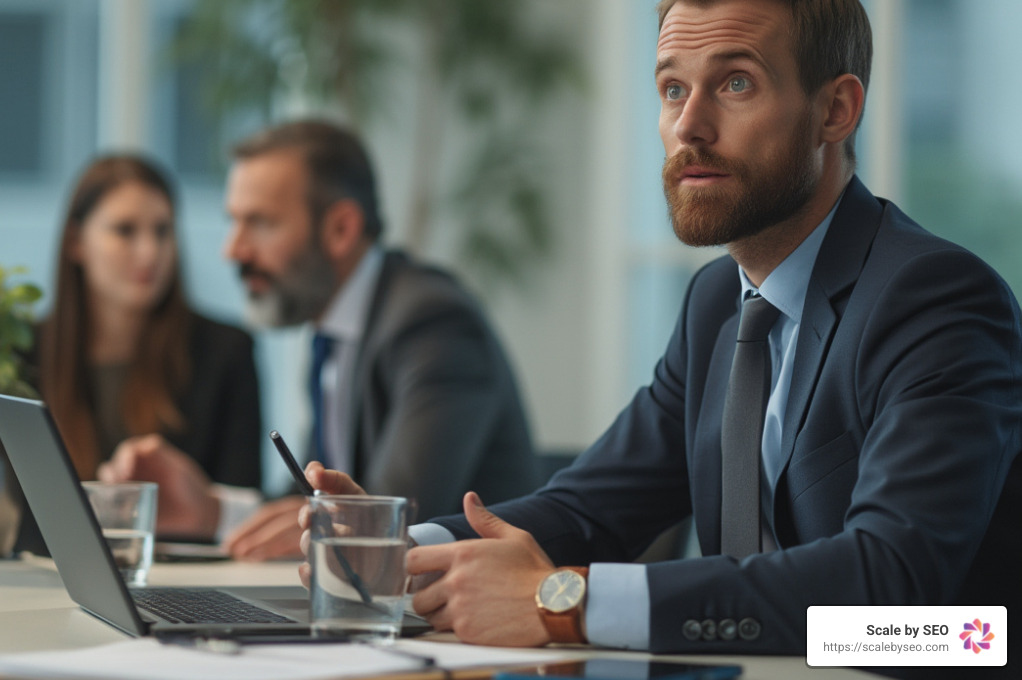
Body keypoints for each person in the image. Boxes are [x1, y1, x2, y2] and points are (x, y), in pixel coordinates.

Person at [295, 0, 1021, 675]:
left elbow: (898, 598)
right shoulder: (717, 302)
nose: (688, 127)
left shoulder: (935, 301)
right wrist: (397, 553)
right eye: (673, 89)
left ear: (836, 109)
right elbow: (590, 509)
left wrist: (567, 602)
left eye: (735, 83)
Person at [101, 121, 539, 559]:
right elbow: (316, 502)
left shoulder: (432, 325)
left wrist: (316, 523)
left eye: (259, 223)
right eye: (234, 222)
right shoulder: (334, 332)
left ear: (341, 229)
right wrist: (212, 511)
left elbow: (386, 517)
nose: (233, 250)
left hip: (451, 615)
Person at [38, 154, 263, 539]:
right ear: (76, 242)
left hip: (189, 584)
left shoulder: (225, 351)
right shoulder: (25, 354)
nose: (149, 252)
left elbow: (243, 504)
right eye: (125, 231)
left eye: (162, 231)